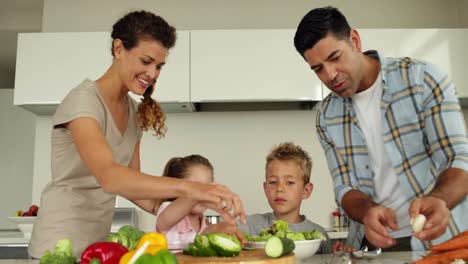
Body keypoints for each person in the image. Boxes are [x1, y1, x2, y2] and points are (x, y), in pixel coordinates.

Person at [28, 10, 245, 258]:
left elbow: (143, 196)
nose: (152, 73)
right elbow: (110, 177)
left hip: (96, 247)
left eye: (159, 66)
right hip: (56, 246)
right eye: (146, 61)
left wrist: (209, 209)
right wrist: (191, 188)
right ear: (119, 48)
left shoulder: (132, 112)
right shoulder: (83, 101)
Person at [294, 6, 468, 251]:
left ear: (354, 40)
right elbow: (345, 188)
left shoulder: (423, 79)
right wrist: (367, 212)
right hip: (375, 248)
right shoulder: (326, 116)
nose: (330, 74)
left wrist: (440, 200)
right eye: (318, 68)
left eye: (335, 58)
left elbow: (458, 157)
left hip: (446, 240)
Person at [237, 142, 332, 254]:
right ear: (266, 189)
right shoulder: (248, 225)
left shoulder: (318, 235)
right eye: (273, 182)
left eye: (290, 182)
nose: (279, 188)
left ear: (306, 191)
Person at [156, 154, 245, 250]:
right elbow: (164, 220)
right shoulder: (167, 210)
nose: (204, 193)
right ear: (177, 188)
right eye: (196, 187)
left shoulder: (206, 224)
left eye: (207, 187)